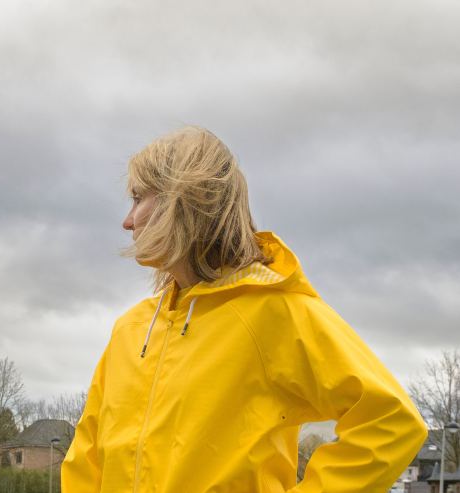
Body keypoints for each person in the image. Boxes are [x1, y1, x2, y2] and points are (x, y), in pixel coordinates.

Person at [60, 126, 427, 492]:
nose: (128, 221)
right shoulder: (131, 329)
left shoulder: (273, 312)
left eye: (139, 198)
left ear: (184, 200)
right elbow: (86, 458)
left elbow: (390, 422)